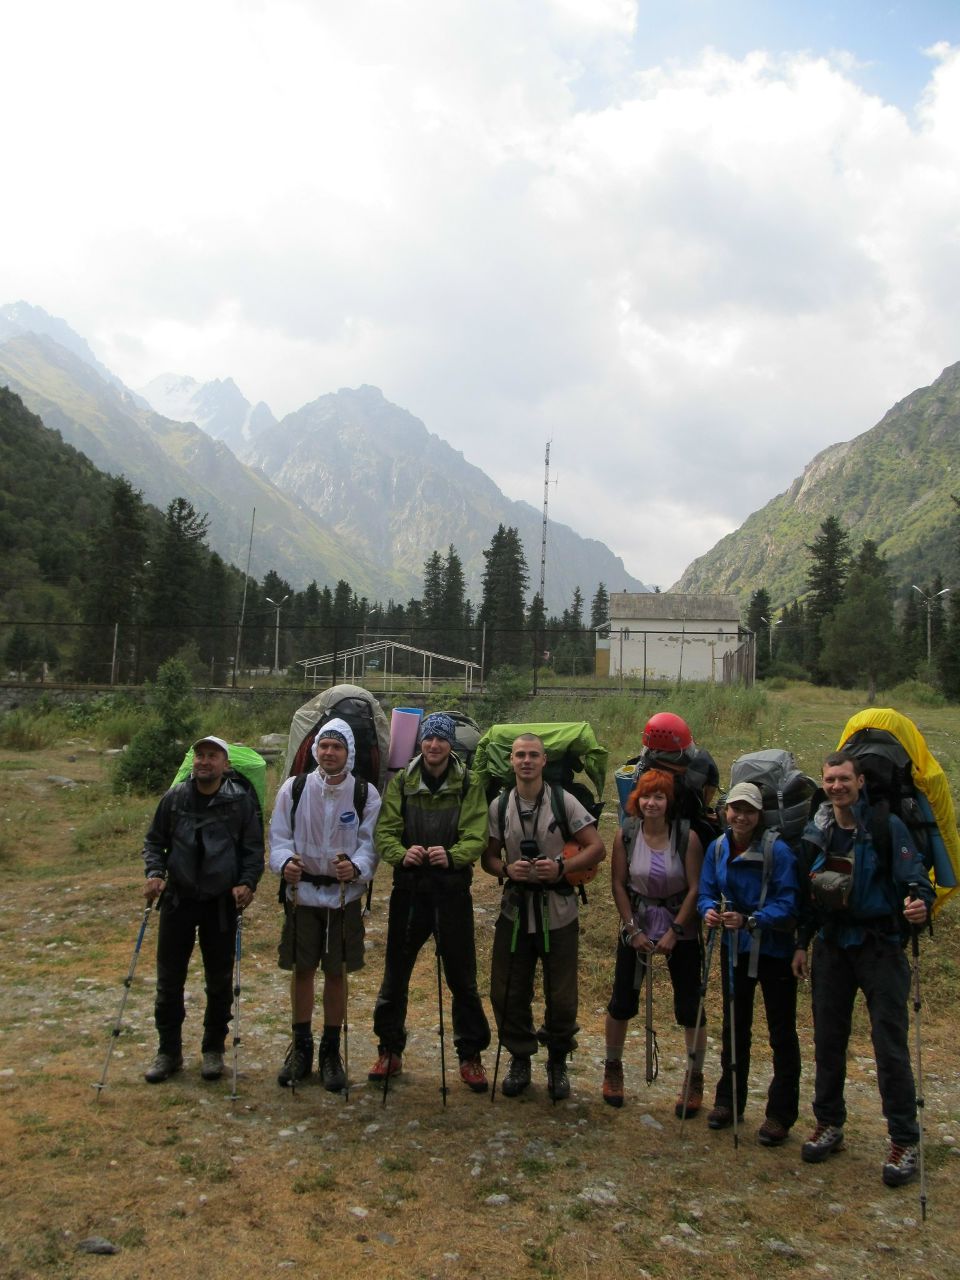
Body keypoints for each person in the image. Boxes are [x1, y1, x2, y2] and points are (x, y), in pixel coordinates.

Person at [793, 751, 932, 1185]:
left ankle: (904, 1139)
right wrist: (801, 943)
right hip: (832, 945)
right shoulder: (818, 829)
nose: (837, 787)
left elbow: (918, 883)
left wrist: (919, 907)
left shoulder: (887, 827)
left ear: (861, 781)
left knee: (889, 1046)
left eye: (844, 779)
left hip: (880, 947)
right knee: (828, 1040)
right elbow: (807, 895)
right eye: (830, 780)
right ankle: (829, 1123)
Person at [369, 712, 492, 1092]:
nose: (434, 746)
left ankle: (470, 1055)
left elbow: (477, 833)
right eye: (428, 739)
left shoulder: (468, 782)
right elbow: (385, 830)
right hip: (409, 890)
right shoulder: (403, 781)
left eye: (441, 740)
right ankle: (389, 1049)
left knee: (462, 978)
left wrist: (453, 855)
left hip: (452, 891)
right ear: (420, 742)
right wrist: (399, 854)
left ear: (450, 744)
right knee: (396, 975)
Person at [482, 732, 605, 1100]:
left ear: (544, 760)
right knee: (507, 989)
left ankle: (556, 1060)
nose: (526, 761)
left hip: (558, 910)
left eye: (533, 755)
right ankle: (520, 1057)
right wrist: (506, 870)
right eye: (520, 755)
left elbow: (596, 848)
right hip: (515, 909)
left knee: (562, 994)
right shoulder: (500, 805)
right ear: (511, 761)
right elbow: (487, 858)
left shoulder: (563, 801)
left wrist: (561, 867)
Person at [142, 735, 264, 1083]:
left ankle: (213, 1050)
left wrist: (248, 882)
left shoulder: (239, 802)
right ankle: (168, 1051)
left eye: (212, 756)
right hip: (178, 900)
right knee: (169, 980)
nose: (204, 762)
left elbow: (253, 850)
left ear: (226, 764)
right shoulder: (175, 798)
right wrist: (154, 873)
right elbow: (154, 841)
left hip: (220, 904)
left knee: (220, 981)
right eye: (199, 756)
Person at [270, 719, 381, 1090]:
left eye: (337, 747)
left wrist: (359, 867)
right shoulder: (295, 788)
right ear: (315, 749)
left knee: (336, 972)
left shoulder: (365, 794)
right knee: (302, 968)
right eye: (324, 746)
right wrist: (284, 863)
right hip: (301, 896)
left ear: (348, 753)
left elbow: (370, 844)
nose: (329, 753)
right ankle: (300, 1046)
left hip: (342, 898)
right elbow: (280, 836)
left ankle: (330, 1051)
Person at [698, 781, 801, 1145]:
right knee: (734, 1025)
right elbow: (707, 890)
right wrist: (709, 911)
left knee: (781, 1032)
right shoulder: (719, 847)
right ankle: (728, 1100)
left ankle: (780, 1114)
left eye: (749, 811)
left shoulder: (780, 852)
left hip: (774, 950)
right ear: (726, 810)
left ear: (759, 815)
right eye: (735, 809)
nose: (740, 816)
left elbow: (788, 902)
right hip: (735, 947)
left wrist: (752, 920)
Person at [602, 768, 706, 1113]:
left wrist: (676, 931)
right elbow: (619, 884)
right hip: (638, 926)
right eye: (646, 796)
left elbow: (695, 888)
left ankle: (694, 1079)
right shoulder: (626, 836)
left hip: (682, 926)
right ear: (637, 799)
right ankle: (613, 1068)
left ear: (669, 801)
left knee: (691, 1006)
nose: (651, 803)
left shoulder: (687, 839)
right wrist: (632, 930)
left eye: (658, 796)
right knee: (621, 1001)